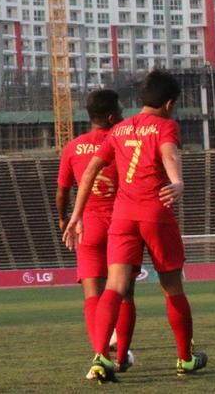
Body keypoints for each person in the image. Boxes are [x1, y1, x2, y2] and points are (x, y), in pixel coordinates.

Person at [64, 70, 207, 382]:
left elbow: (89, 171)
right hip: (155, 213)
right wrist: (177, 181)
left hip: (122, 217)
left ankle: (101, 357)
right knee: (172, 289)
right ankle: (185, 359)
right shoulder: (166, 125)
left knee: (113, 288)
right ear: (169, 103)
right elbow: (169, 154)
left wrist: (76, 215)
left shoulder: (119, 129)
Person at [55, 89, 136, 373]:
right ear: (112, 116)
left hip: (87, 225)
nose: (124, 115)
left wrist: (64, 220)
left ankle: (99, 354)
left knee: (92, 295)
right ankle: (122, 357)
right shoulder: (124, 142)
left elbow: (62, 191)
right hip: (121, 224)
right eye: (121, 111)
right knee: (124, 294)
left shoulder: (73, 147)